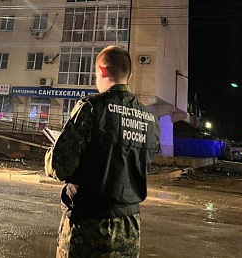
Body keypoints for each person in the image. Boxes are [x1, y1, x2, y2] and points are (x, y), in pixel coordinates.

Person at [45, 45, 161, 258]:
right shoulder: (150, 119)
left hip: (88, 227)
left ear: (102, 70)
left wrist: (53, 151)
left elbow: (59, 167)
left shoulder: (91, 107)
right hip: (129, 229)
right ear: (129, 75)